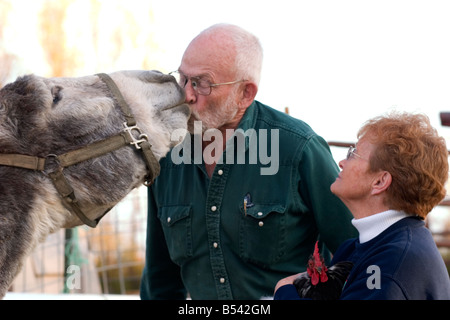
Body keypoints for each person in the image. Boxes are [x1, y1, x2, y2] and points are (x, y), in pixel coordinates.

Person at [140, 23, 357, 300]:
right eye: (182, 78)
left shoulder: (298, 149)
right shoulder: (167, 155)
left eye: (202, 83)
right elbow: (160, 280)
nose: (187, 94)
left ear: (246, 93)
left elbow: (356, 256)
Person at [274, 112, 450, 300]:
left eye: (353, 154)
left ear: (380, 181)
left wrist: (283, 290)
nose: (342, 162)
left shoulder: (392, 264)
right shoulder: (360, 248)